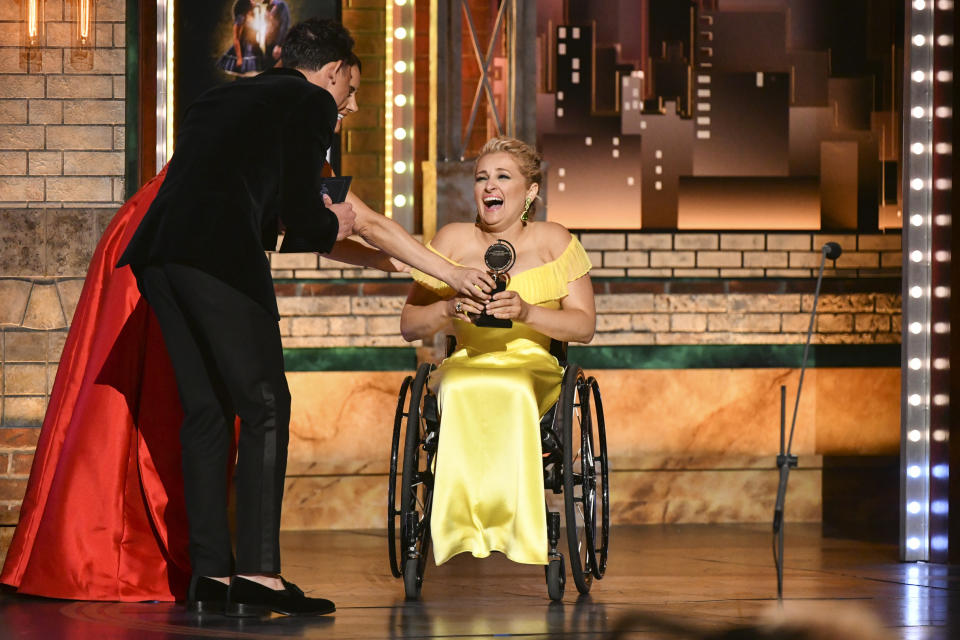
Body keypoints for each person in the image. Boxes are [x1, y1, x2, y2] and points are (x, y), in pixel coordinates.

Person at [2, 21, 491, 616]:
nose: (351, 105)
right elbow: (307, 220)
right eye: (351, 91)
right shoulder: (309, 103)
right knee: (265, 405)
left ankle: (210, 576)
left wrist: (372, 253)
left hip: (159, 259)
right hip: (217, 258)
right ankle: (258, 574)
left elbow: (268, 213)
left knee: (206, 413)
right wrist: (427, 265)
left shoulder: (225, 98)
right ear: (331, 72)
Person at [400, 136, 596, 567]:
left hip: (533, 366)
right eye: (481, 177)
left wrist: (527, 313)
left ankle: (517, 527)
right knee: (458, 386)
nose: (489, 185)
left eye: (503, 177)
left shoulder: (554, 240)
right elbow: (409, 324)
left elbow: (584, 326)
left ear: (529, 192)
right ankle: (457, 526)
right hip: (466, 362)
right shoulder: (452, 240)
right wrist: (450, 308)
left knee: (513, 389)